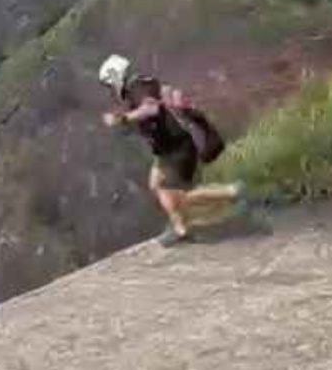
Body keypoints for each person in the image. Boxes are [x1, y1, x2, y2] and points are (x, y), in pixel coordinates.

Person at [98, 53, 242, 246]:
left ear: (115, 76)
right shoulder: (139, 85)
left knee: (181, 196)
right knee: (155, 183)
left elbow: (151, 109)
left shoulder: (136, 87)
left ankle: (231, 191)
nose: (110, 89)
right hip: (165, 150)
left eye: (109, 84)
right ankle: (180, 228)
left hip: (177, 148)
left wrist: (122, 119)